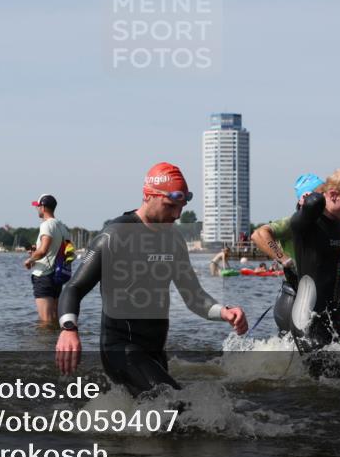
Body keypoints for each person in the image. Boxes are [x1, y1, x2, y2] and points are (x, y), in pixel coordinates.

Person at [54, 163, 247, 396]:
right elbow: (74, 288)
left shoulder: (174, 240)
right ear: (148, 196)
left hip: (155, 352)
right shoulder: (114, 235)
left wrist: (224, 312)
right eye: (170, 206)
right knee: (177, 404)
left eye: (181, 207)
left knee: (165, 422)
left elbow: (193, 295)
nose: (176, 215)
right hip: (120, 350)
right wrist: (68, 328)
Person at [263, 169, 340, 351]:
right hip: (303, 310)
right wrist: (284, 259)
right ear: (332, 195)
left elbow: (330, 265)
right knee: (315, 378)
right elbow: (262, 233)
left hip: (331, 310)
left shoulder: (338, 219)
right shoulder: (305, 220)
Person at [24, 194, 72, 323]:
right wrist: (35, 251)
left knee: (45, 320)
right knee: (55, 318)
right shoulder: (63, 227)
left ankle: (44, 342)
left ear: (43, 207)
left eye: (38, 206)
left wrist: (30, 260)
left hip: (43, 275)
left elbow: (43, 250)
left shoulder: (46, 225)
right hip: (57, 276)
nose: (37, 209)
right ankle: (54, 341)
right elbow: (63, 251)